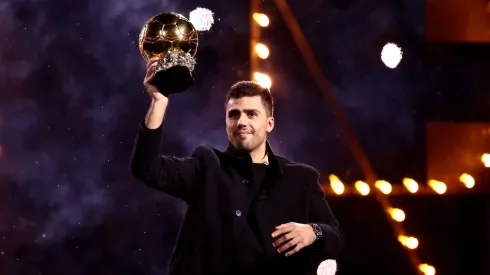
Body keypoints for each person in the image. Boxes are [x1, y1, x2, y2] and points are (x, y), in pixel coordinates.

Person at [130, 57, 344, 275]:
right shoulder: (206, 166)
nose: (242, 121)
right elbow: (146, 168)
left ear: (269, 123)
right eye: (234, 114)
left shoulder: (300, 179)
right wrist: (159, 101)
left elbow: (335, 236)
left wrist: (312, 231)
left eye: (252, 114)